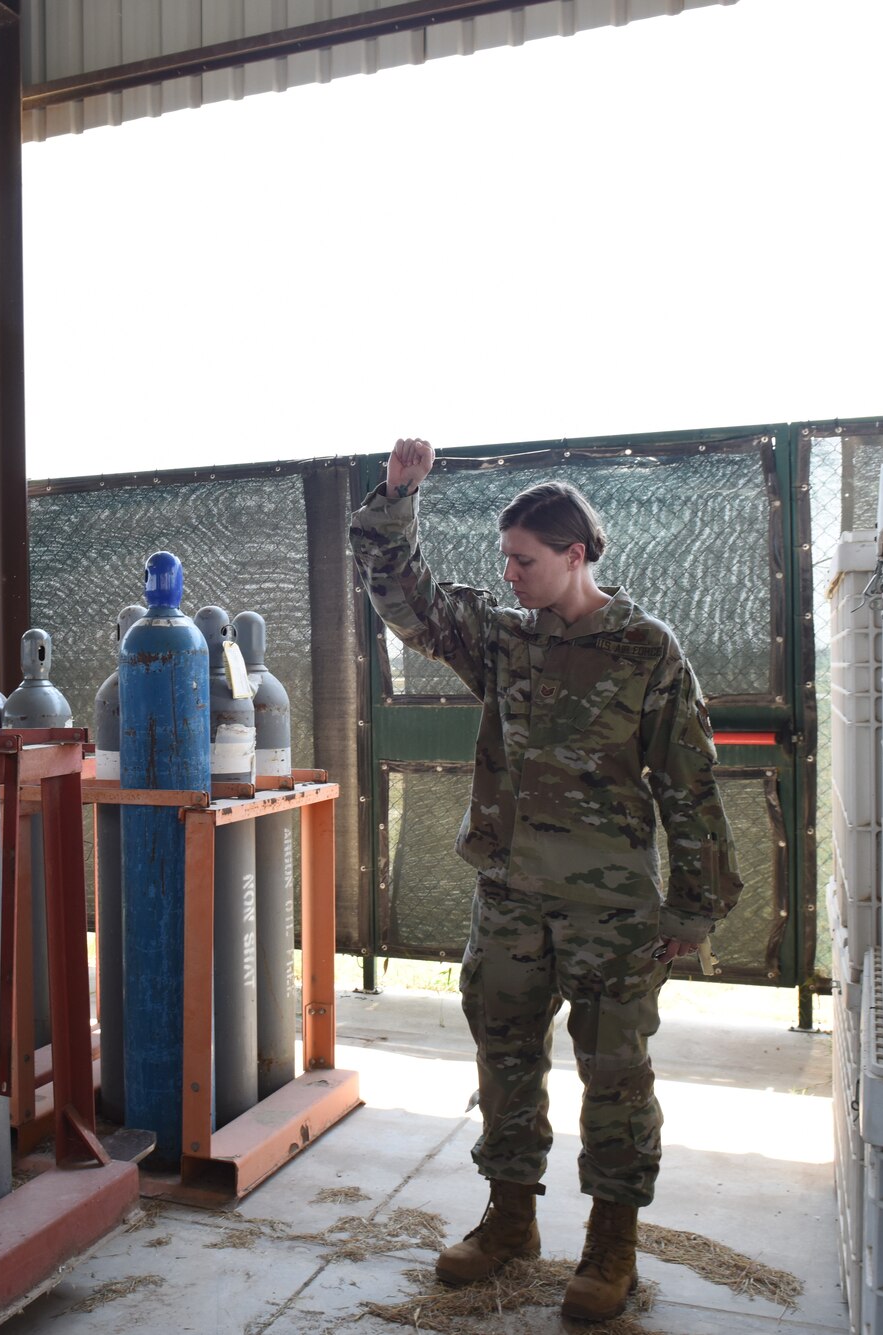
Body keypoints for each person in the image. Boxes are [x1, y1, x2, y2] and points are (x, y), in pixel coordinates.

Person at [349, 437, 743, 1322]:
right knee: (505, 1059)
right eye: (504, 560)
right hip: (511, 897)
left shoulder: (647, 650)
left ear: (575, 556)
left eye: (525, 560)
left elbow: (688, 780)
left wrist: (694, 906)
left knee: (614, 1073)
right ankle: (510, 1221)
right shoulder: (503, 642)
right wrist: (398, 496)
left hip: (610, 908)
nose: (511, 575)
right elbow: (406, 603)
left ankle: (611, 1247)